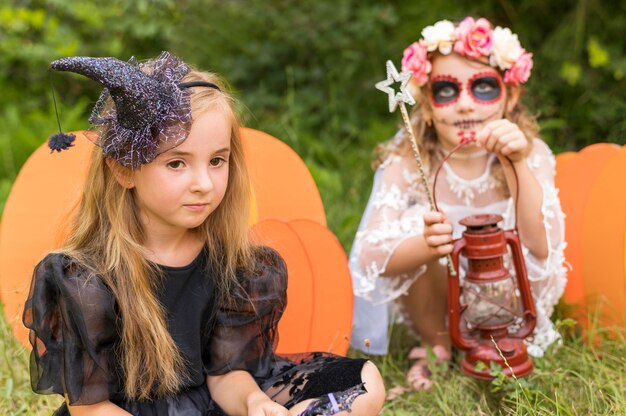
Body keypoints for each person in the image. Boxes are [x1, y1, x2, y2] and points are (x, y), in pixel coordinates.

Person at [23, 52, 385, 416]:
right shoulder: (83, 281)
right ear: (124, 171)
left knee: (363, 383)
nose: (204, 184)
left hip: (213, 401)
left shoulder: (235, 264)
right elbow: (91, 407)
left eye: (217, 161)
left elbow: (226, 375)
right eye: (176, 163)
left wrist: (254, 402)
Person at [349, 17, 567, 390]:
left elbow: (542, 245)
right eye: (447, 91)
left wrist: (516, 163)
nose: (465, 105)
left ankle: (502, 342)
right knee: (420, 222)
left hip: (508, 302)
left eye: (483, 88)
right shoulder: (406, 160)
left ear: (510, 96)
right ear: (428, 106)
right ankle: (437, 344)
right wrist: (424, 243)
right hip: (437, 301)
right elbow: (368, 257)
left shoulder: (530, 154)